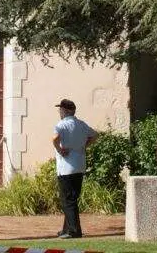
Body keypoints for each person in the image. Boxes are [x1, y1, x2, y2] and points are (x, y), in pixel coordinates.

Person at [52, 98, 98, 239]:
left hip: (66, 167)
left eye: (61, 109)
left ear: (65, 111)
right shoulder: (81, 124)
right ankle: (66, 229)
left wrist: (60, 150)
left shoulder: (61, 124)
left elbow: (54, 139)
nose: (60, 112)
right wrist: (85, 146)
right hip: (79, 164)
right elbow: (95, 135)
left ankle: (74, 231)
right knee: (72, 198)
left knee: (67, 199)